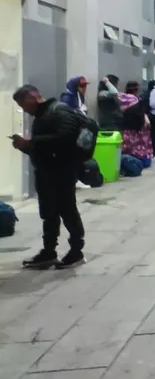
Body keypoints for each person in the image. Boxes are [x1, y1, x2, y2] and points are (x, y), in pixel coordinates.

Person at [10, 85, 87, 269]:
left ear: (33, 97)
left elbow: (66, 138)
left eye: (23, 104)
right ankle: (48, 252)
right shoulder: (42, 117)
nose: (24, 109)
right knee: (49, 214)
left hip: (62, 172)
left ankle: (76, 251)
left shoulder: (59, 110)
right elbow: (46, 147)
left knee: (68, 211)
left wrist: (32, 142)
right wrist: (26, 147)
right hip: (46, 172)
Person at [120, 81, 154, 164]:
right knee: (141, 145)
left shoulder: (122, 98)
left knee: (129, 145)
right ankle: (141, 161)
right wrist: (147, 121)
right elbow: (142, 113)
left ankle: (129, 160)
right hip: (139, 128)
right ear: (136, 89)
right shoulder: (136, 99)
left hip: (127, 127)